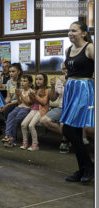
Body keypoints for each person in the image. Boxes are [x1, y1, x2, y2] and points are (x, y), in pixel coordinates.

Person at [60, 21, 94, 183]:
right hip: (71, 90)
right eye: (69, 30)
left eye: (74, 30)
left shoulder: (90, 48)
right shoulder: (68, 50)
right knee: (73, 131)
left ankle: (87, 167)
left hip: (84, 90)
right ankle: (84, 169)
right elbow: (69, 70)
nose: (70, 33)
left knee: (69, 129)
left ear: (84, 33)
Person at [40, 63, 69, 153]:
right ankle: (69, 137)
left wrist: (67, 85)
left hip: (72, 108)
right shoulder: (60, 80)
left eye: (67, 68)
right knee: (44, 120)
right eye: (63, 69)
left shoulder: (76, 80)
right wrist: (52, 86)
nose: (65, 70)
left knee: (62, 124)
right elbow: (53, 98)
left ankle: (65, 141)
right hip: (61, 108)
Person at [20, 73, 49, 151]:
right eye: (36, 79)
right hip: (34, 109)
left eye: (40, 79)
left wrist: (35, 95)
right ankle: (25, 143)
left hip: (41, 110)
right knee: (23, 124)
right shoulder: (36, 90)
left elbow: (43, 102)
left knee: (31, 125)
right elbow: (32, 102)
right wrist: (31, 96)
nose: (38, 81)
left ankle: (35, 145)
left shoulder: (46, 90)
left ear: (45, 81)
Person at [3, 75, 34, 147]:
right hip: (19, 107)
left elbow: (28, 103)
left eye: (25, 81)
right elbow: (19, 102)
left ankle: (12, 141)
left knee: (15, 120)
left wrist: (20, 95)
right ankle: (7, 136)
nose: (22, 83)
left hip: (26, 109)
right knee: (10, 116)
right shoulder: (21, 91)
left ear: (30, 83)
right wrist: (17, 96)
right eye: (22, 81)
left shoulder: (31, 91)